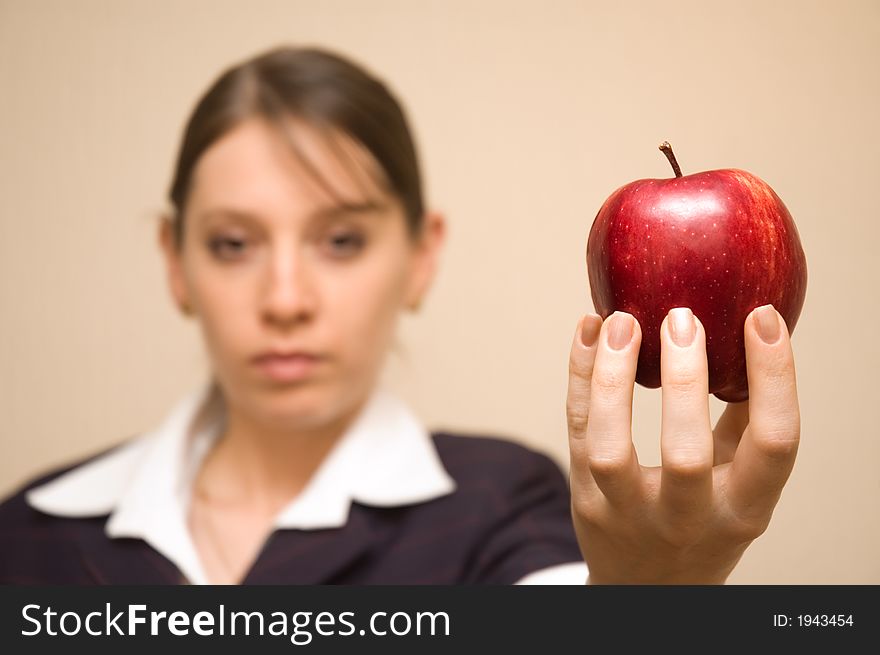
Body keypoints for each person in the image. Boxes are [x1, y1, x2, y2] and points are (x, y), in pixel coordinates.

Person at [0, 46, 800, 585]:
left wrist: (645, 602)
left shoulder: (509, 508)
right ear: (176, 261)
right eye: (233, 243)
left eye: (341, 239)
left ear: (421, 255)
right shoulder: (26, 539)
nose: (286, 300)